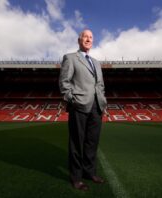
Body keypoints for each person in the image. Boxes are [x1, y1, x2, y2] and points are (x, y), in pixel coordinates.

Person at [59, 29, 107, 191]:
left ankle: (89, 172)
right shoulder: (71, 58)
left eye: (91, 37)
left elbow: (100, 84)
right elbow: (64, 81)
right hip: (79, 104)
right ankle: (76, 178)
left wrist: (103, 100)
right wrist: (71, 99)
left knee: (92, 142)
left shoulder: (96, 62)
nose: (88, 39)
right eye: (85, 36)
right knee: (77, 143)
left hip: (97, 106)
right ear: (79, 40)